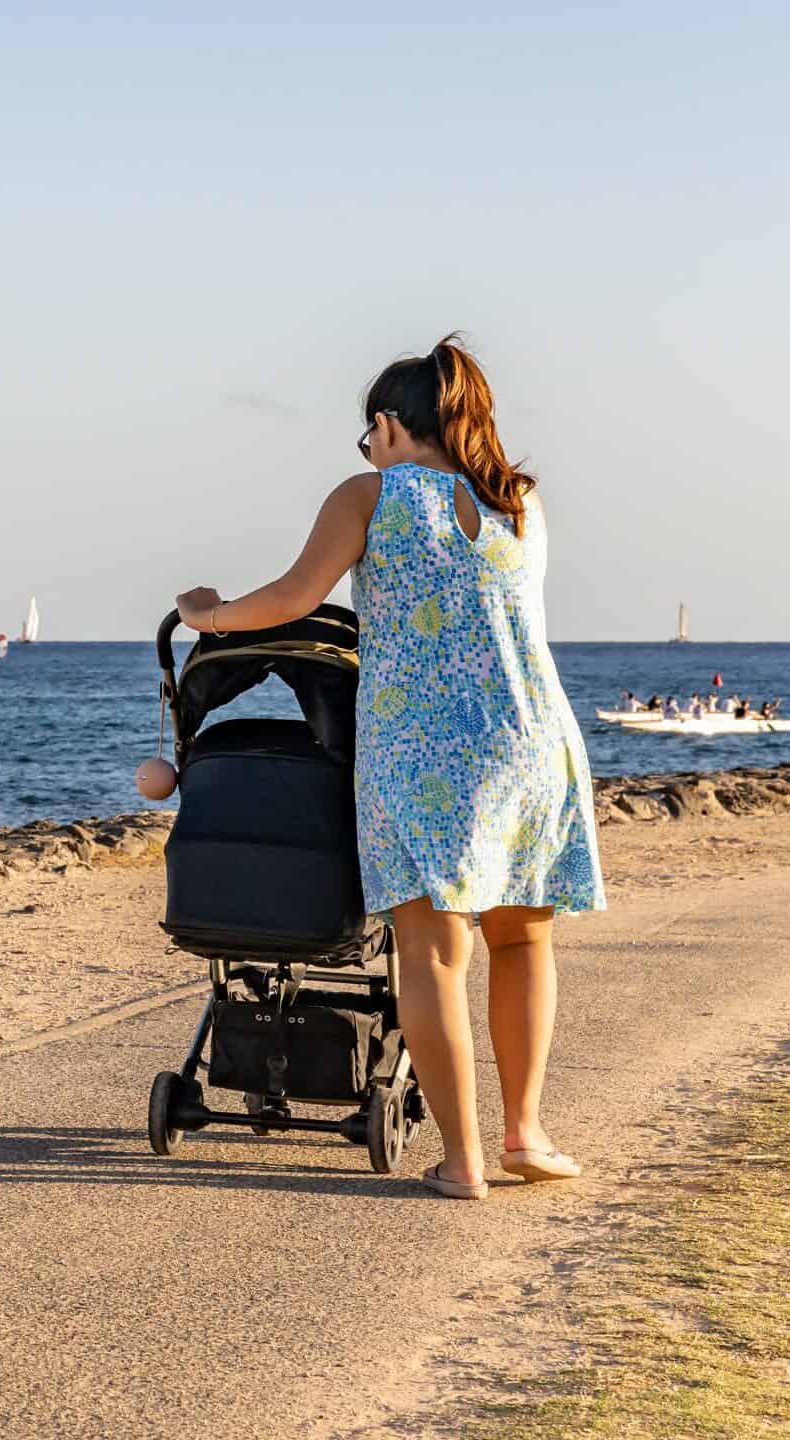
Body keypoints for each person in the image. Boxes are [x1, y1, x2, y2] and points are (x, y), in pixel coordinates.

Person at [174, 334, 601, 1201]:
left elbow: (295, 597)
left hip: (424, 751)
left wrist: (210, 615)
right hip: (533, 742)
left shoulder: (372, 494)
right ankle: (525, 1130)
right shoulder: (521, 504)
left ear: (386, 425)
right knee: (522, 940)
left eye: (366, 436)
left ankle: (464, 1159)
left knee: (434, 955)